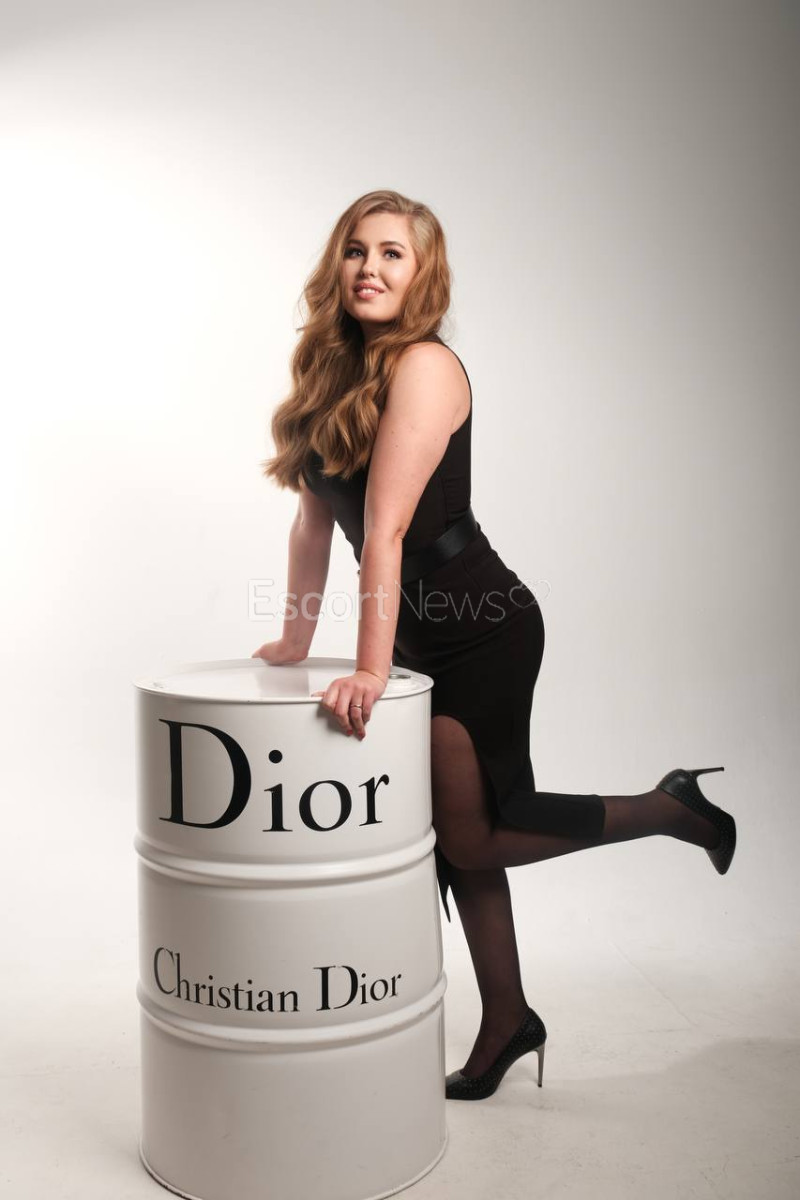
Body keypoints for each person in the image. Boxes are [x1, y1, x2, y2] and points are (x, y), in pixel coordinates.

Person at [252, 188, 736, 1101]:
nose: (369, 267)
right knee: (458, 835)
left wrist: (367, 670)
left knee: (476, 835)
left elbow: (387, 530)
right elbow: (314, 525)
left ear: (422, 276)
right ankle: (508, 1018)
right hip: (412, 628)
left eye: (393, 254)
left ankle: (672, 810)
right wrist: (292, 637)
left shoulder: (426, 366)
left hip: (481, 626)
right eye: (356, 250)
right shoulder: (330, 375)